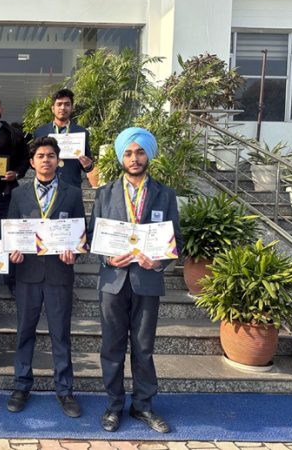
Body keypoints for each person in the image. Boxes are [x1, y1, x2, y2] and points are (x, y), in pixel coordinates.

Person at [87, 127, 182, 434]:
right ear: (120, 157)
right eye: (128, 152)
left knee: (143, 347)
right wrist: (106, 258)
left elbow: (174, 239)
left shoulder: (164, 195)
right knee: (112, 347)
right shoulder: (105, 193)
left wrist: (160, 260)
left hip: (147, 280)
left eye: (140, 152)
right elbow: (92, 236)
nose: (134, 158)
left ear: (149, 155)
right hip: (113, 281)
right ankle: (114, 405)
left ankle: (143, 405)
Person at [6, 136, 85, 418]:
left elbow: (81, 236)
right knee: (24, 333)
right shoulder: (19, 194)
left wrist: (75, 252)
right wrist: (11, 253)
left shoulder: (73, 193)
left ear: (58, 160)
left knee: (60, 335)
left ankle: (64, 391)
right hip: (27, 274)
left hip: (59, 274)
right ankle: (21, 386)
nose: (46, 160)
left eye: (51, 155)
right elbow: (12, 232)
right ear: (32, 162)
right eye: (40, 156)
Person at [34, 88, 93, 188]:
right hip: (46, 186)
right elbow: (34, 160)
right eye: (59, 104)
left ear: (72, 108)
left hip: (72, 185)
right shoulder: (40, 132)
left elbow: (88, 164)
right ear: (53, 108)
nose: (63, 107)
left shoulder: (82, 132)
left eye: (67, 104)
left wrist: (88, 165)